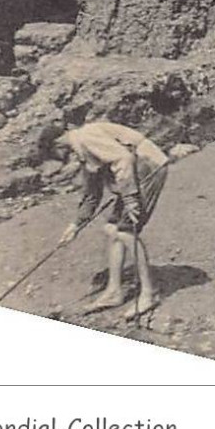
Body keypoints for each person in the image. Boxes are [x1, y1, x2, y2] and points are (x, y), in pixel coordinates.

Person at [55, 121, 170, 319]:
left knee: (125, 231)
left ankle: (149, 294)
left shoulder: (85, 137)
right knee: (111, 228)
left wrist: (130, 198)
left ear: (58, 143)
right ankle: (114, 291)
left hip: (148, 166)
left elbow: (122, 158)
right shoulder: (84, 150)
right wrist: (75, 226)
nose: (64, 157)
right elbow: (92, 194)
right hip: (134, 174)